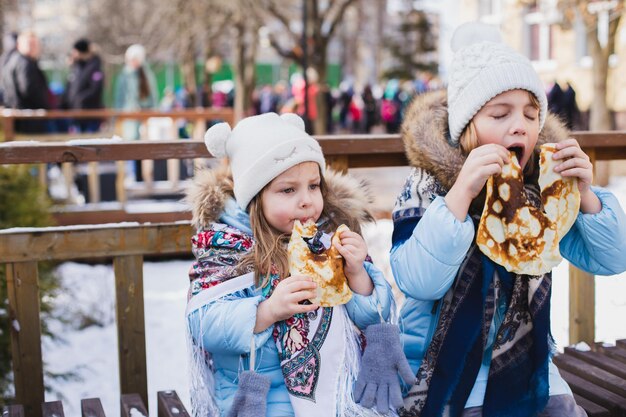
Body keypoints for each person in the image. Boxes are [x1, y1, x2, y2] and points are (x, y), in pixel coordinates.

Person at [391, 22, 626, 417]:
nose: (520, 124)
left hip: (528, 370)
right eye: (500, 113)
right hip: (440, 374)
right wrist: (461, 195)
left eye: (531, 114)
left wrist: (585, 195)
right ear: (467, 127)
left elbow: (613, 258)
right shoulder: (427, 187)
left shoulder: (543, 190)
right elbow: (417, 279)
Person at [185, 112, 394, 416]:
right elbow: (204, 323)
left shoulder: (328, 239)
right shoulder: (229, 247)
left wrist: (357, 272)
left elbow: (374, 315)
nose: (307, 200)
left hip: (335, 392)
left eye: (313, 186)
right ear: (256, 197)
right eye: (288, 190)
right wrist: (267, 311)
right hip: (263, 399)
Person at [114, 44, 158, 182]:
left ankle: (145, 177)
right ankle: (132, 176)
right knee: (130, 146)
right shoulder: (125, 76)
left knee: (144, 148)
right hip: (129, 118)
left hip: (144, 118)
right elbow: (120, 98)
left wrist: (148, 110)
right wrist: (119, 115)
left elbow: (152, 97)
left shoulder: (146, 75)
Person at [0, 30, 50, 132]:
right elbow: (29, 89)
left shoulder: (12, 60)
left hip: (19, 118)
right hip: (28, 118)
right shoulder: (25, 63)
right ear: (19, 45)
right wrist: (46, 105)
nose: (34, 47)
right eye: (30, 44)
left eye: (35, 44)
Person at [62, 38, 104, 132]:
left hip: (89, 114)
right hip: (75, 114)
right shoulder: (77, 67)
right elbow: (70, 88)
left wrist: (79, 100)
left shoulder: (95, 67)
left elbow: (95, 90)